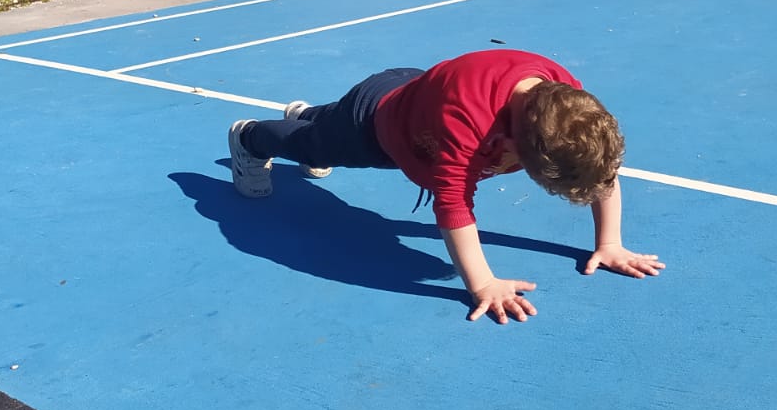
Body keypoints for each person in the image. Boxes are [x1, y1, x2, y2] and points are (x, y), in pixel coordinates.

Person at [226, 49, 662, 324]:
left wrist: (610, 242)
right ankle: (250, 137)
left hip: (413, 96)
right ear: (512, 144)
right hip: (377, 125)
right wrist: (483, 283)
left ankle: (309, 116)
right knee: (314, 148)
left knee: (326, 127)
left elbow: (601, 169)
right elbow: (452, 205)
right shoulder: (466, 122)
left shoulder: (568, 106)